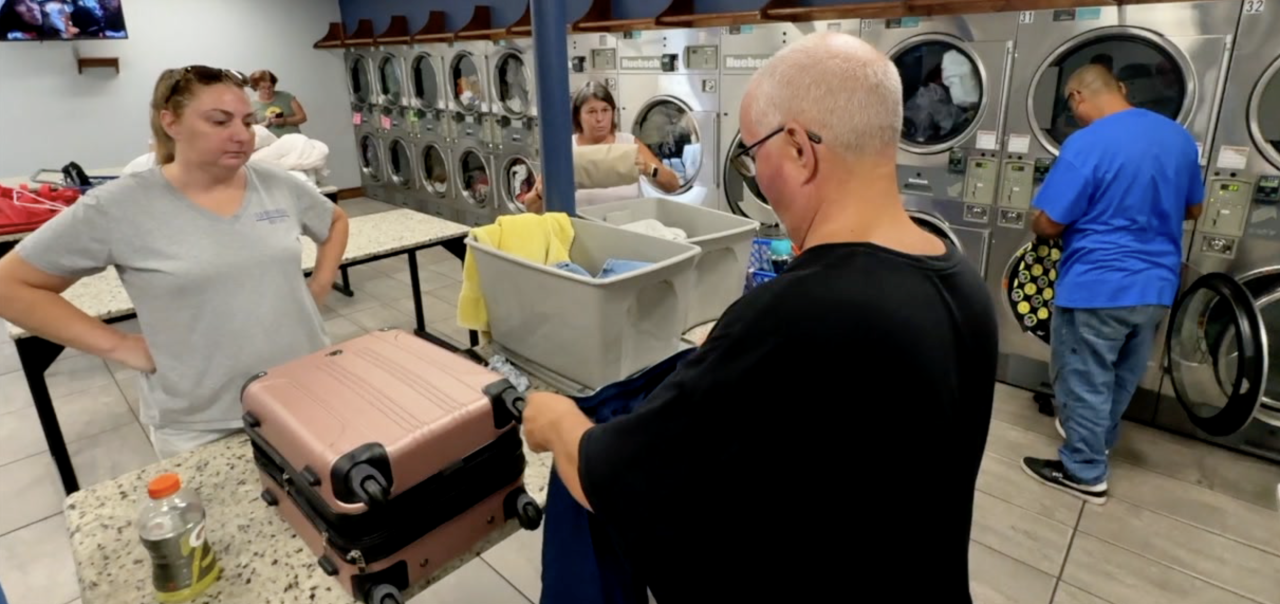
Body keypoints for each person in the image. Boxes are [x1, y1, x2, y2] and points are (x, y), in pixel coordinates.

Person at [520, 33, 998, 602]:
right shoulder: (961, 283)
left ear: (798, 149)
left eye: (752, 153)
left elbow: (622, 481)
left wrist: (556, 421)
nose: (755, 175)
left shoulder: (796, 315)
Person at [0, 65, 349, 459]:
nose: (241, 134)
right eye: (219, 121)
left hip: (303, 389)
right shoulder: (120, 205)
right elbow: (9, 285)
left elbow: (334, 220)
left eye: (247, 121)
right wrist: (118, 344)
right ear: (171, 123)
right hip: (204, 421)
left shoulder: (275, 184)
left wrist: (319, 286)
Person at [1021, 64, 1203, 505]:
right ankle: (1097, 443)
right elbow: (1194, 210)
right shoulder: (1177, 138)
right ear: (1120, 89)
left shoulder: (1087, 143)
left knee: (1083, 378)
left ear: (1077, 97)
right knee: (1121, 375)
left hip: (1098, 283)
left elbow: (1050, 223)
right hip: (1157, 284)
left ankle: (1083, 471)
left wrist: (1037, 220)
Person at [520, 81, 680, 212]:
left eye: (605, 110)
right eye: (591, 112)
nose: (600, 118)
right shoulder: (566, 150)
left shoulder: (628, 143)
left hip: (626, 229)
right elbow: (531, 208)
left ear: (613, 112)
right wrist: (542, 193)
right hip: (582, 231)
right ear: (578, 115)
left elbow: (673, 185)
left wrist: (649, 169)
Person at [249, 69, 308, 136]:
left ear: (274, 85)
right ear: (256, 87)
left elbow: (303, 117)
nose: (267, 91)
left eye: (270, 87)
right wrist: (266, 123)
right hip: (270, 141)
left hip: (294, 138)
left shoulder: (286, 96)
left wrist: (284, 121)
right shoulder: (252, 104)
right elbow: (252, 130)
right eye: (263, 88)